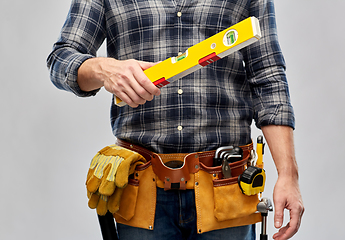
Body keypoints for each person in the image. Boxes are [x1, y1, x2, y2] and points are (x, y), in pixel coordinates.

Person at [47, 0, 304, 239]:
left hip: (226, 188)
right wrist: (103, 69)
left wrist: (288, 175)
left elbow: (267, 76)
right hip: (141, 191)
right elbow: (61, 59)